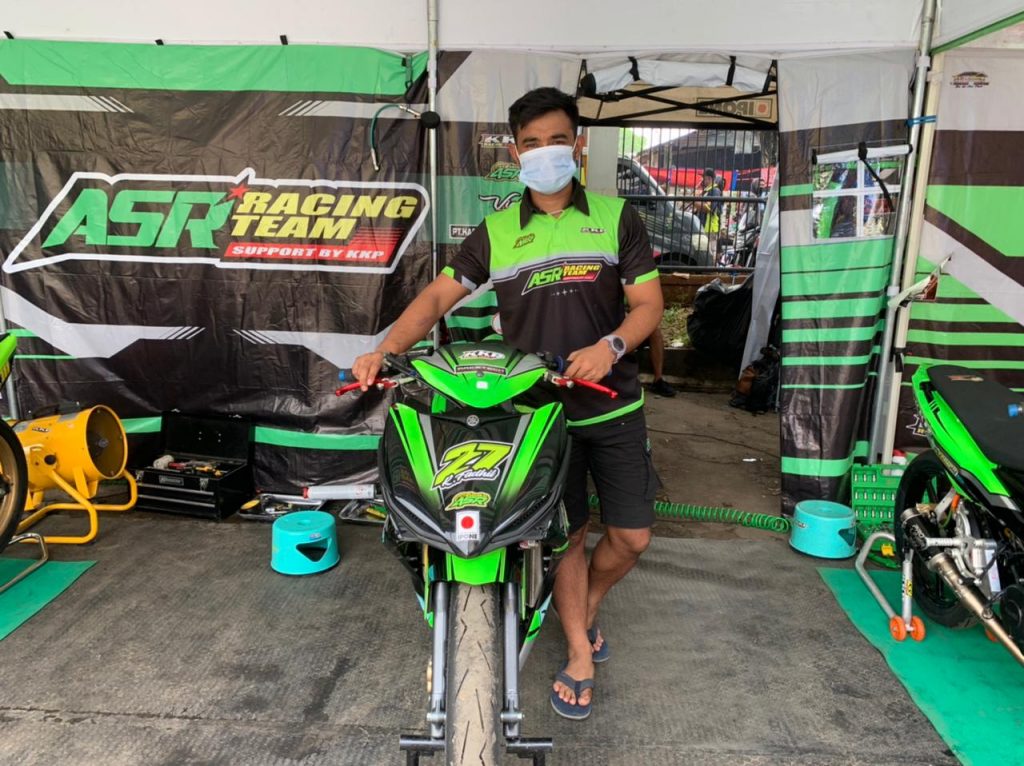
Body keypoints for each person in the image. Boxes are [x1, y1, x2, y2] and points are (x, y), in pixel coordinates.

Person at [352, 87, 664, 721]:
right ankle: (577, 648)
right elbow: (437, 299)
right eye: (531, 144)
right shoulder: (497, 231)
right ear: (516, 154)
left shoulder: (616, 217)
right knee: (566, 534)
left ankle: (587, 606)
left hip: (612, 405)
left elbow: (648, 306)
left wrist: (609, 346)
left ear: (578, 144)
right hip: (534, 413)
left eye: (557, 140)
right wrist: (384, 350)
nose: (545, 153)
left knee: (632, 538)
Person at [695, 168, 722, 258]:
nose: (702, 180)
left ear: (709, 178)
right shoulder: (706, 191)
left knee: (711, 253)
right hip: (704, 227)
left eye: (704, 178)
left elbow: (709, 208)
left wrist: (695, 201)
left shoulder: (715, 190)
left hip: (710, 228)